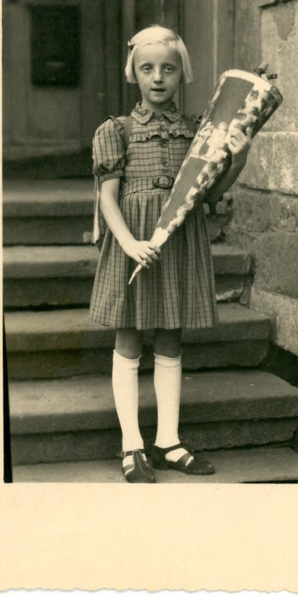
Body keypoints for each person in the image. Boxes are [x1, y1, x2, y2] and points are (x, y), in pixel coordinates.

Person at [89, 25, 252, 483]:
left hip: (179, 240)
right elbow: (107, 198)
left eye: (168, 68)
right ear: (133, 74)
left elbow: (207, 195)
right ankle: (131, 445)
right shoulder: (116, 130)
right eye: (147, 68)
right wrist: (128, 243)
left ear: (183, 74)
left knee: (170, 338)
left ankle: (168, 441)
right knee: (129, 338)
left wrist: (236, 161)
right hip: (134, 242)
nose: (157, 77)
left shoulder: (199, 131)